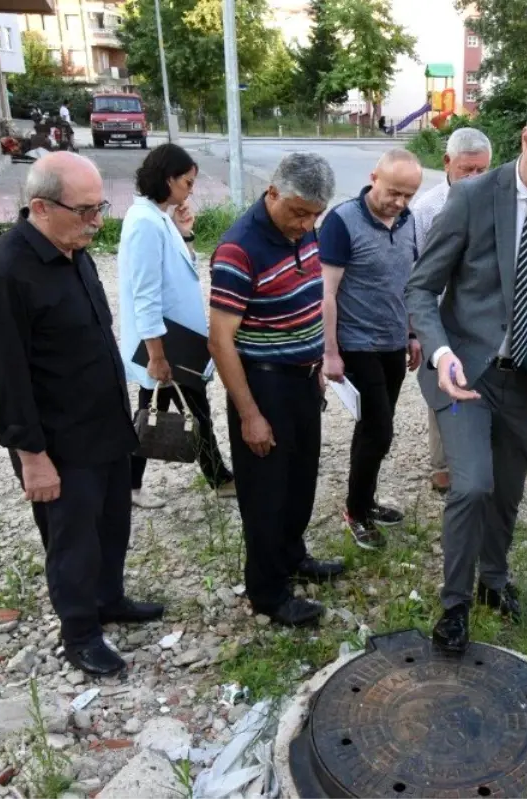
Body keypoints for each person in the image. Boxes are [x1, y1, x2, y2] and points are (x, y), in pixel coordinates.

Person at [406, 80, 527, 654]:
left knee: (507, 490)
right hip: (463, 370)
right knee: (471, 486)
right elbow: (422, 289)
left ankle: (493, 581)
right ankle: (455, 606)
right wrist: (440, 354)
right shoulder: (470, 197)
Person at [0, 152, 161, 677]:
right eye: (85, 211)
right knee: (72, 540)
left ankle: (109, 599)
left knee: (111, 524)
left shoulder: (74, 249)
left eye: (101, 208)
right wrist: (32, 456)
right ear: (40, 206)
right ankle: (80, 633)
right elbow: (5, 378)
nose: (97, 222)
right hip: (58, 442)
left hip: (105, 423)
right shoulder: (4, 274)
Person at [208, 153, 345, 628]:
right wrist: (249, 413)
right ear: (272, 193)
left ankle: (292, 556)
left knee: (300, 480)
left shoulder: (305, 232)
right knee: (265, 493)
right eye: (298, 212)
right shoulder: (238, 250)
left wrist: (319, 366)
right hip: (264, 384)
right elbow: (220, 339)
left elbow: (309, 300)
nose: (306, 224)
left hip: (304, 379)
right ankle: (267, 591)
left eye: (315, 215)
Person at [118, 143, 234, 510]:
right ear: (168, 179)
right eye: (187, 181)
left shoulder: (159, 218)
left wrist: (184, 231)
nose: (191, 189)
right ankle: (217, 478)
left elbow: (179, 271)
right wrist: (156, 354)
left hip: (176, 337)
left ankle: (132, 485)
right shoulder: (144, 223)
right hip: (165, 340)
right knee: (176, 409)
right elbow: (146, 293)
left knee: (163, 410)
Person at [320, 149, 424, 549]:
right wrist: (330, 353)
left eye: (408, 195)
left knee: (372, 429)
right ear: (374, 177)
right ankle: (356, 510)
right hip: (356, 344)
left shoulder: (408, 221)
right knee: (379, 429)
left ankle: (364, 501)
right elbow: (327, 293)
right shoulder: (341, 222)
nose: (399, 202)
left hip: (393, 343)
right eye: (393, 191)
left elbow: (409, 283)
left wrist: (413, 334)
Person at [409, 128, 494, 493]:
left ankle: (481, 456)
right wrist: (416, 330)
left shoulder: (496, 202)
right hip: (439, 315)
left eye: (482, 170)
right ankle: (442, 464)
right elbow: (416, 273)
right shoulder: (426, 209)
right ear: (447, 163)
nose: (475, 178)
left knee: (483, 380)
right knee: (443, 382)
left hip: (480, 314)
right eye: (467, 170)